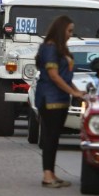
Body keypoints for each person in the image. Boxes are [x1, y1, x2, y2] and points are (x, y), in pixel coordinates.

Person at [34, 15, 84, 187]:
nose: (71, 34)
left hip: (61, 99)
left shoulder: (62, 50)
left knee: (54, 138)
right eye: (69, 31)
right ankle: (47, 176)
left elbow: (65, 77)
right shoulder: (50, 48)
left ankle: (51, 173)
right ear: (60, 29)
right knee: (49, 137)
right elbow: (54, 76)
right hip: (50, 98)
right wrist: (72, 92)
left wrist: (77, 92)